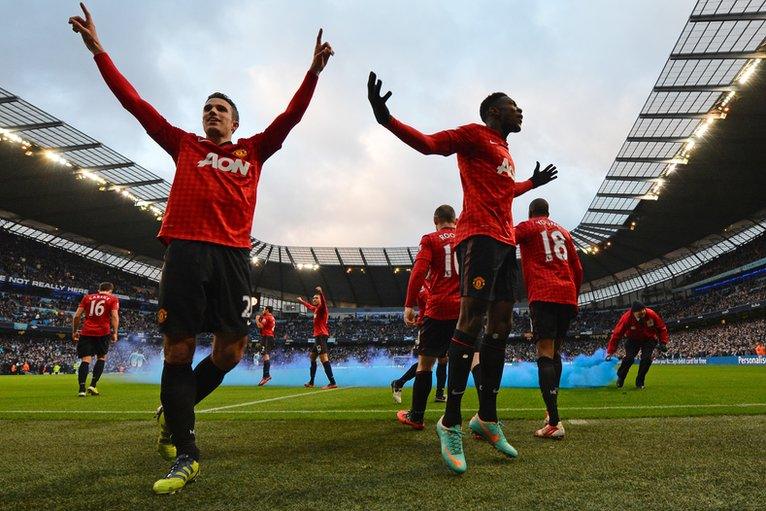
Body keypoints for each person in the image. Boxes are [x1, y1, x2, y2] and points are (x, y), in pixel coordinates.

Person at [69, 2, 333, 494]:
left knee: (231, 352)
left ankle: (176, 407)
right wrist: (98, 51)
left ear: (234, 122)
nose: (212, 113)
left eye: (221, 109)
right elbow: (136, 103)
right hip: (187, 253)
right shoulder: (184, 145)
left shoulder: (252, 151)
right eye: (207, 108)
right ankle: (186, 449)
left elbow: (290, 117)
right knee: (179, 350)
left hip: (233, 256)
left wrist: (313, 72)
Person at [367, 72, 558, 473]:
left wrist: (531, 182)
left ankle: (485, 417)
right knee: (470, 324)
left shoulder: (505, 150)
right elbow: (430, 145)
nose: (520, 110)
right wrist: (387, 119)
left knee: (501, 327)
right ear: (493, 111)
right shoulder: (473, 135)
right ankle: (450, 420)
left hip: (506, 244)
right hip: (480, 238)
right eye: (513, 105)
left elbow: (504, 191)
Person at [515, 198, 583, 439]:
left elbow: (505, 240)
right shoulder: (563, 231)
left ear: (530, 212)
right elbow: (578, 269)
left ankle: (554, 422)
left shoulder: (527, 227)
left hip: (544, 294)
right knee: (555, 353)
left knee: (544, 352)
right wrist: (574, 296)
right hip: (566, 295)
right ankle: (551, 411)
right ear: (548, 212)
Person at [396, 205, 460, 430]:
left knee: (425, 363)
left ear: (435, 220)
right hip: (465, 308)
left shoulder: (431, 239)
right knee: (471, 360)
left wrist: (408, 305)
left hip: (438, 307)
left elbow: (418, 272)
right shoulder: (466, 235)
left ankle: (417, 416)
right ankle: (485, 418)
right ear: (455, 219)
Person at [391, 285, 449, 404]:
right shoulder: (423, 288)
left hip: (441, 325)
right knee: (427, 362)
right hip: (430, 326)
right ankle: (399, 383)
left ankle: (439, 394)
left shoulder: (433, 284)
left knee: (443, 359)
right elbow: (429, 306)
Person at [71, 282, 120, 397]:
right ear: (110, 290)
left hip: (86, 331)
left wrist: (74, 331)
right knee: (101, 357)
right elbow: (114, 316)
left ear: (99, 289)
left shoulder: (87, 297)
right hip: (103, 332)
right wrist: (115, 332)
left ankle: (81, 389)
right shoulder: (113, 299)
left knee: (85, 360)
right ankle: (93, 385)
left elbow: (77, 316)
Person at [606, 302, 669, 389]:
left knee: (646, 359)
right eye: (640, 311)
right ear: (634, 312)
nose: (643, 312)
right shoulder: (626, 318)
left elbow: (661, 328)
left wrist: (663, 342)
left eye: (643, 309)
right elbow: (617, 334)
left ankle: (640, 381)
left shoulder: (651, 314)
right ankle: (621, 377)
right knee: (629, 358)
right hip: (632, 340)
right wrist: (610, 351)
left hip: (649, 339)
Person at [298, 287, 337, 389]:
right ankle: (311, 382)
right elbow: (309, 306)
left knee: (324, 358)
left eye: (316, 298)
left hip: (321, 336)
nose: (314, 299)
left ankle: (332, 382)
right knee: (312, 357)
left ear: (320, 300)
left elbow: (324, 302)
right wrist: (302, 301)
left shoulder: (322, 308)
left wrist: (321, 293)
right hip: (318, 336)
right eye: (313, 298)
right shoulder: (316, 309)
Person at [254, 306, 276, 385]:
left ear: (267, 310)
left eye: (264, 309)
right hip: (270, 336)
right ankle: (266, 376)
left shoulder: (267, 317)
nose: (263, 311)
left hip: (266, 337)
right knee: (265, 355)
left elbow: (260, 326)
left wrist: (256, 319)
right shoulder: (272, 317)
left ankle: (266, 376)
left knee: (265, 355)